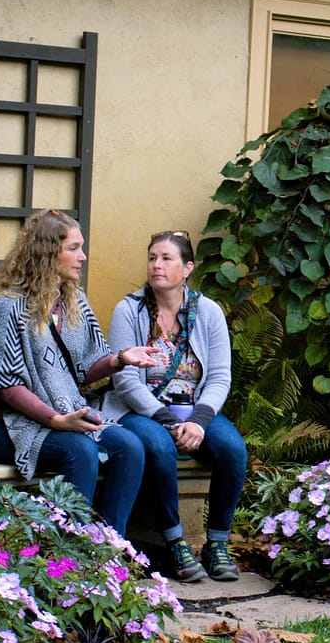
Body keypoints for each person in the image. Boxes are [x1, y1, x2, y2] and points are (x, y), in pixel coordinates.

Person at [0, 209, 156, 536]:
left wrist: (120, 359)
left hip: (58, 415)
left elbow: (82, 370)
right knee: (80, 451)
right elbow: (5, 385)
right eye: (74, 248)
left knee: (129, 447)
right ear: (47, 252)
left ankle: (109, 551)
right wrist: (57, 421)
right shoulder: (9, 306)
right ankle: (66, 562)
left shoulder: (74, 302)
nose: (83, 257)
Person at [102, 230, 247, 582]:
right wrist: (166, 419)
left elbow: (219, 377)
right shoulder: (129, 310)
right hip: (139, 410)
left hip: (194, 410)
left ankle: (216, 543)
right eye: (152, 257)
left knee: (232, 448)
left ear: (187, 268)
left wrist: (198, 421)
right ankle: (175, 541)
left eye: (167, 258)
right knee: (158, 443)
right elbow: (125, 380)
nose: (157, 265)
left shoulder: (208, 312)